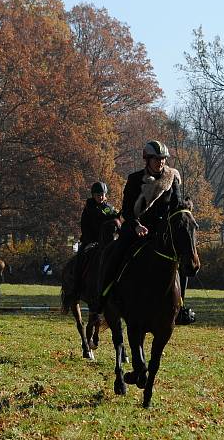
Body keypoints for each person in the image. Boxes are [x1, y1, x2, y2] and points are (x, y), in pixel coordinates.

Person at [97, 139, 195, 325]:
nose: (161, 162)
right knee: (114, 254)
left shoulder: (172, 179)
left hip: (162, 233)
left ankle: (180, 307)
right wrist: (136, 225)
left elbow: (176, 207)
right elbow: (126, 209)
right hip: (137, 230)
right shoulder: (134, 179)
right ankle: (102, 299)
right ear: (147, 159)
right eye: (157, 159)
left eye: (163, 159)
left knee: (182, 259)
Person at [79, 181, 119, 251]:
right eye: (98, 195)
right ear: (93, 195)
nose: (100, 197)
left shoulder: (109, 208)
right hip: (91, 240)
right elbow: (84, 226)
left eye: (102, 195)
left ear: (105, 195)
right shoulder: (89, 208)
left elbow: (115, 219)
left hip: (106, 239)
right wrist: (90, 241)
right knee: (81, 256)